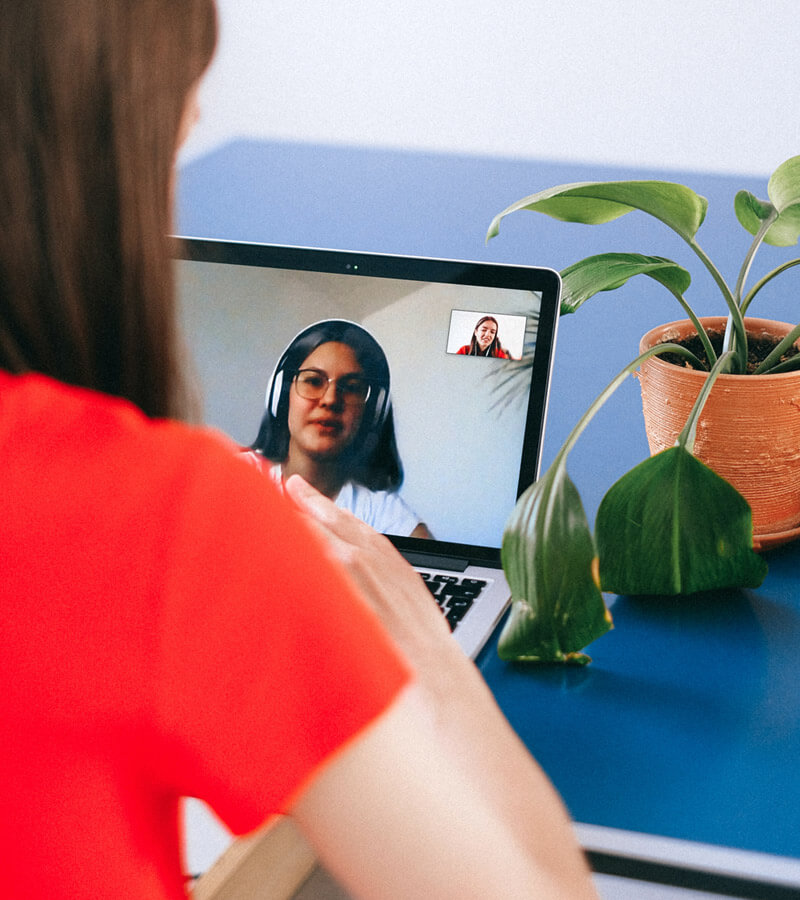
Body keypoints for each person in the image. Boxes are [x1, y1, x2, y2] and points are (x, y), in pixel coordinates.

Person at [0, 2, 598, 899]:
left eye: (353, 386)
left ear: (373, 409)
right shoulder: (176, 517)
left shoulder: (375, 519)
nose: (330, 399)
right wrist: (435, 659)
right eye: (179, 134)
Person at [248, 319, 433, 538]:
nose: (331, 400)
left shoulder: (384, 514)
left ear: (371, 413)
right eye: (314, 381)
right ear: (282, 396)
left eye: (352, 388)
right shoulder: (237, 476)